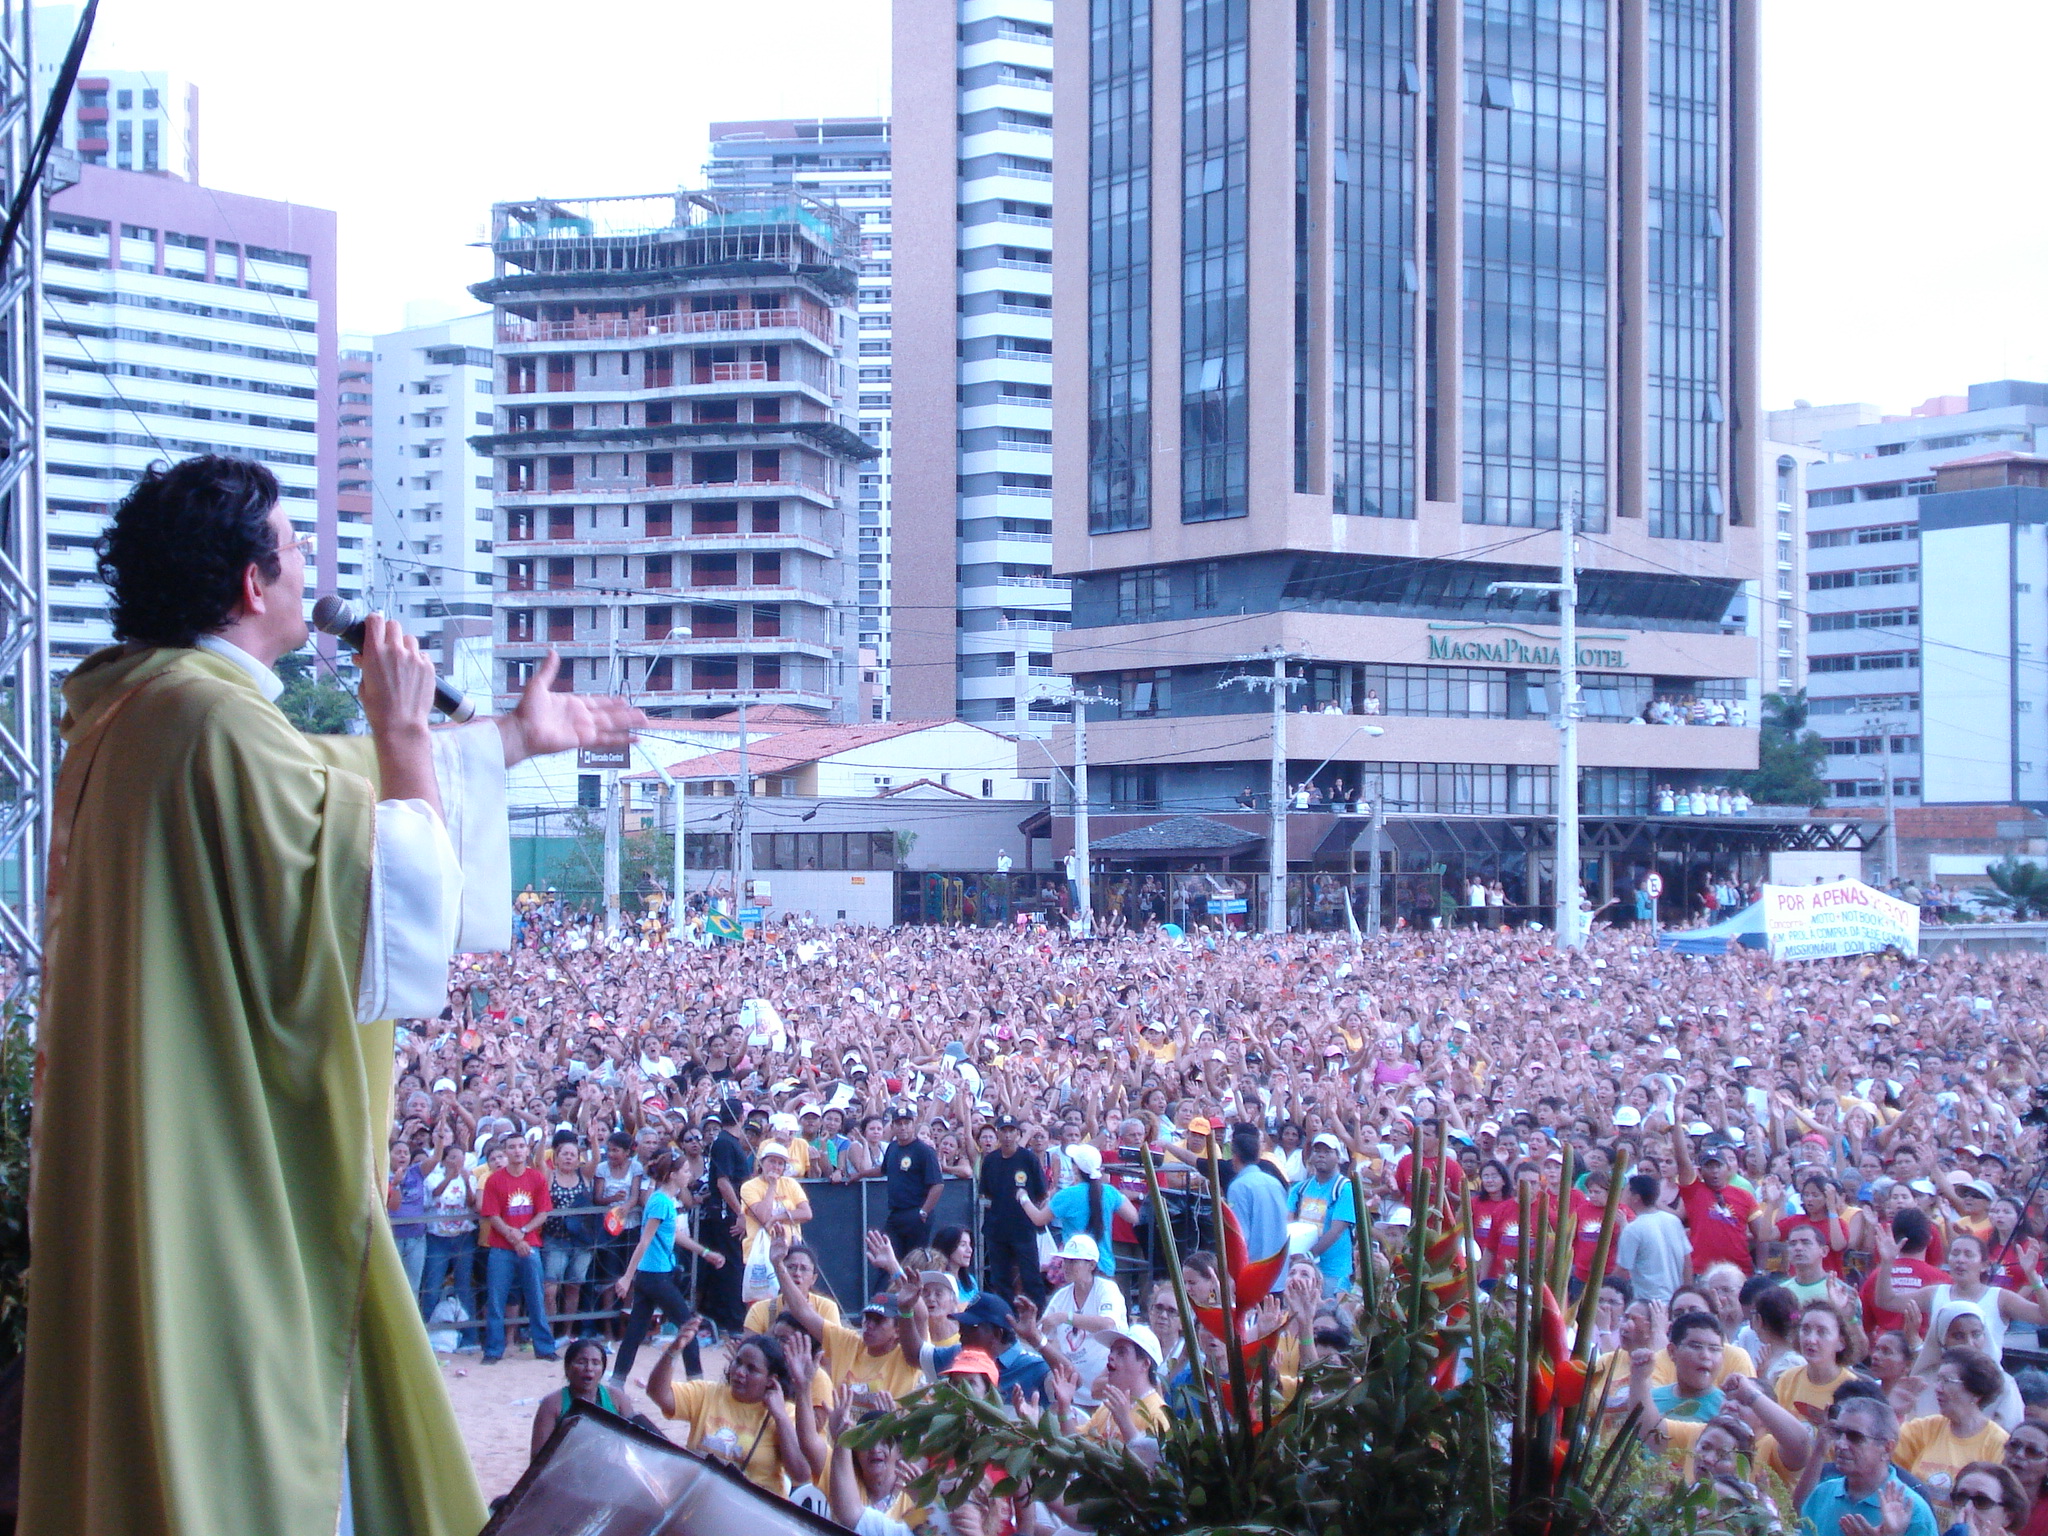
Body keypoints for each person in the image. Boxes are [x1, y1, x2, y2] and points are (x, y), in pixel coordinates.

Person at [22, 455, 638, 1536]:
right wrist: (403, 730)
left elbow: (325, 781)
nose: (314, 571)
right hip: (227, 1173)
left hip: (163, 1144)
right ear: (253, 585)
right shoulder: (209, 725)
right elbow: (389, 906)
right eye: (298, 548)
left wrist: (510, 739)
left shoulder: (146, 713)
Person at [646, 1330, 813, 1496]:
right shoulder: (706, 1393)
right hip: (700, 1499)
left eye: (751, 1369)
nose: (740, 1372)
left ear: (771, 1380)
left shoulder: (786, 1413)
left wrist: (780, 1418)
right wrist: (672, 1351)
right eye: (737, 1362)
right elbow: (658, 1393)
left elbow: (801, 1475)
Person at [610, 1150, 724, 1386]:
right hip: (655, 1276)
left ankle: (617, 1382)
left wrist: (704, 1252)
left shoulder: (663, 1200)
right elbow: (645, 1241)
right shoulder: (662, 1202)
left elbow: (673, 1234)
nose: (689, 1174)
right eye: (684, 1171)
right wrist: (627, 1277)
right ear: (672, 1175)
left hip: (651, 1274)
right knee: (687, 1327)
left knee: (635, 1333)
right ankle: (697, 1382)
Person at [1800, 1397, 1940, 1536]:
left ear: (1887, 1448)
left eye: (1855, 1437)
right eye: (1838, 1433)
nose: (1840, 1444)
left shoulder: (1912, 1510)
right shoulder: (1821, 1494)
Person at [1896, 1350, 2014, 1513]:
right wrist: (1893, 1411)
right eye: (1938, 1380)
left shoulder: (1998, 1443)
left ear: (1976, 1391)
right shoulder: (1924, 1429)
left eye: (1946, 1381)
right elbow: (1884, 1459)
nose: (1937, 1388)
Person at [481, 1132, 560, 1365]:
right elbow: (492, 1215)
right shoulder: (494, 1180)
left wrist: (523, 1233)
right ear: (505, 1151)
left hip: (529, 1244)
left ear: (527, 1150)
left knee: (536, 1297)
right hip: (502, 1247)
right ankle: (494, 1350)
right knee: (496, 1299)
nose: (517, 1151)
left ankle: (544, 1347)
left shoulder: (536, 1178)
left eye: (521, 1146)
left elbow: (543, 1212)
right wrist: (515, 1238)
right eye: (512, 1147)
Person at [1028, 1142, 1140, 1278]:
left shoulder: (1066, 1195)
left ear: (1075, 1168)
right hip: (1104, 1265)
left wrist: (1023, 1199)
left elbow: (1039, 1219)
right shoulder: (1109, 1192)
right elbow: (1133, 1217)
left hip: (1075, 1266)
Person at [1042, 1234, 1128, 1407]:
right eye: (1065, 1261)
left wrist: (1066, 1317)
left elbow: (1107, 1324)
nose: (1066, 1266)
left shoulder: (1107, 1289)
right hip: (1074, 1395)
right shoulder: (1061, 1297)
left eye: (1073, 1261)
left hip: (1109, 1395)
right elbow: (1045, 1335)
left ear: (1091, 1264)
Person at [529, 1338, 643, 1461]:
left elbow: (636, 1445)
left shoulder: (618, 1399)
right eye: (581, 1362)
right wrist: (564, 1436)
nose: (589, 1368)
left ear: (603, 1369)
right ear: (567, 1367)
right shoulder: (552, 1404)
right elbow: (537, 1458)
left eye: (595, 1363)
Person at [977, 1113, 1049, 1308]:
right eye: (1003, 1131)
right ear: (998, 1133)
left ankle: (1038, 1318)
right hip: (998, 1228)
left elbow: (1042, 1192)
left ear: (1018, 1133)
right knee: (1000, 1279)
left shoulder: (1028, 1159)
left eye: (1011, 1131)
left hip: (1023, 1229)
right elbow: (987, 1192)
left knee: (1030, 1277)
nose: (1007, 1135)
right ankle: (1005, 1320)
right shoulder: (990, 1160)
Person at [1288, 1133, 1358, 1296]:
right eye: (1317, 1151)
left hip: (1333, 1270)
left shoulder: (1344, 1189)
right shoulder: (1299, 1189)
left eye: (1327, 1151)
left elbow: (1336, 1231)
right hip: (1302, 1269)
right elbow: (1289, 1223)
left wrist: (1309, 1255)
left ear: (1338, 1157)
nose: (1321, 1155)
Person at [1226, 1123, 1292, 1293]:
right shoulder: (1275, 1183)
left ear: (1235, 1157)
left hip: (1252, 1277)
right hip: (1278, 1274)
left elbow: (1239, 1237)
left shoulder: (1239, 1187)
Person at [1615, 1172, 1691, 1305]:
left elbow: (1622, 1269)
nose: (1622, 1194)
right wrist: (1688, 1293)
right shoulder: (1673, 1220)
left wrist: (1602, 1287)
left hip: (1649, 1303)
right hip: (1676, 1300)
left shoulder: (1633, 1229)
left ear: (1636, 1198)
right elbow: (1687, 1259)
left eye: (1626, 1190)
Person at [882, 1105, 944, 1256]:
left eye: (906, 1123)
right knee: (889, 1260)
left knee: (915, 1262)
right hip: (896, 1213)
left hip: (916, 1212)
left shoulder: (924, 1150)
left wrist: (923, 1212)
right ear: (892, 1126)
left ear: (913, 1124)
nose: (903, 1127)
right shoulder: (892, 1148)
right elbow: (882, 1170)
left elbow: (938, 1185)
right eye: (899, 1123)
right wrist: (859, 1175)